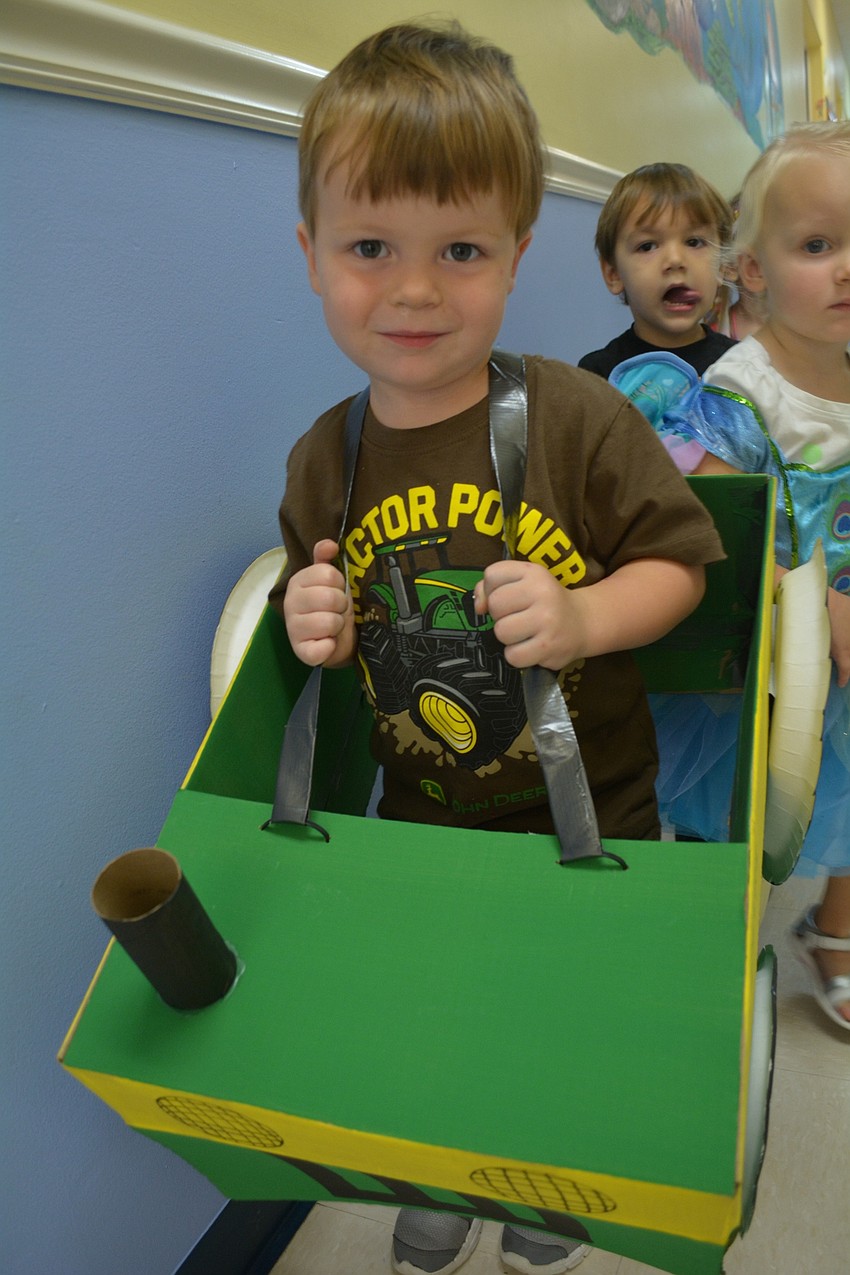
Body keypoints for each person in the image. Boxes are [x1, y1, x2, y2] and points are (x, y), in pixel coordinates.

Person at [271, 22, 726, 1274]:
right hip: (421, 813)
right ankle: (447, 1162)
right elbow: (323, 604)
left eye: (459, 251)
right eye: (371, 249)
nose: (414, 290)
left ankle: (545, 1180)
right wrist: (305, 624)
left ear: (516, 259)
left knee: (568, 1024)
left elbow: (678, 568)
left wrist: (584, 616)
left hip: (593, 810)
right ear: (312, 258)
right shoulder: (326, 457)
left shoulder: (576, 416)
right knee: (441, 1016)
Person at [657, 121, 850, 1031]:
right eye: (819, 246)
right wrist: (816, 605)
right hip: (763, 664)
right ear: (754, 271)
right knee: (730, 820)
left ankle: (837, 932)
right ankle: (712, 943)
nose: (846, 268)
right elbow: (717, 536)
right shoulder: (746, 390)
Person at [578, 163, 736, 379]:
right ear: (613, 274)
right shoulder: (598, 375)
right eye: (647, 246)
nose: (675, 260)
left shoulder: (740, 366)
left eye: (694, 242)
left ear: (722, 265)